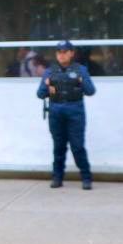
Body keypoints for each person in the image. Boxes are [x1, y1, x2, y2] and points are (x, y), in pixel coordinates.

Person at [39, 39, 95, 189]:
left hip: (75, 111)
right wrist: (46, 87)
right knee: (58, 147)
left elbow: (91, 91)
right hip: (56, 112)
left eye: (64, 52)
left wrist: (82, 81)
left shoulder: (80, 70)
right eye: (59, 52)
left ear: (71, 53)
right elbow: (39, 94)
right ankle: (57, 178)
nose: (61, 55)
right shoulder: (50, 71)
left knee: (77, 147)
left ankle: (86, 178)